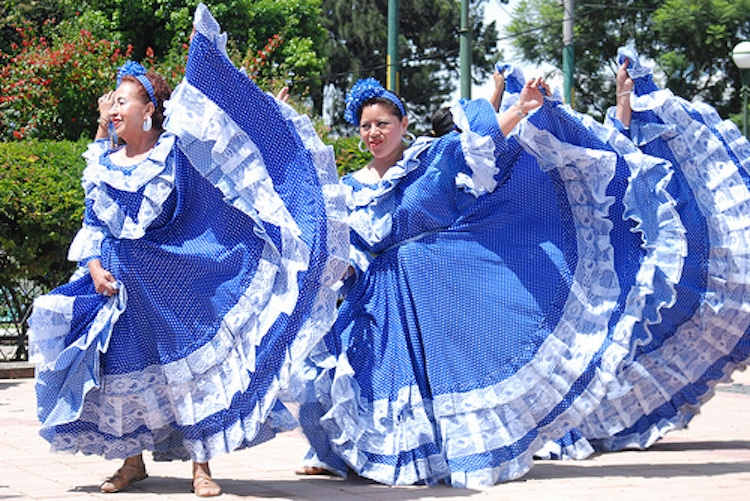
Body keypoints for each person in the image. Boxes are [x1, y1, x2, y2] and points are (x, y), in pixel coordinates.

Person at [292, 63, 689, 487]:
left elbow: (479, 141)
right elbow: (339, 238)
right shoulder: (348, 187)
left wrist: (520, 107)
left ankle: (430, 457)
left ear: (403, 124)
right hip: (375, 296)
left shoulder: (429, 161)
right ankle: (347, 454)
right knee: (352, 373)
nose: (374, 132)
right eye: (366, 125)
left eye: (383, 123)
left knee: (435, 379)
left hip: (433, 288)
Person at [27, 3, 347, 497]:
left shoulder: (174, 152)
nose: (112, 110)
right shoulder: (102, 163)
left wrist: (257, 113)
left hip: (175, 280)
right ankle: (130, 463)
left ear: (148, 109)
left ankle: (202, 467)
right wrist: (92, 268)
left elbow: (220, 158)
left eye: (121, 102)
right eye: (110, 103)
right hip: (116, 283)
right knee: (118, 373)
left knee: (185, 372)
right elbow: (93, 224)